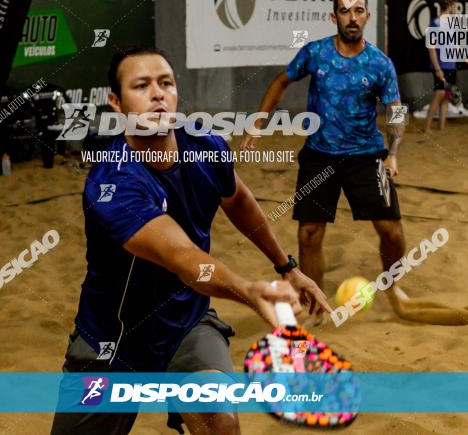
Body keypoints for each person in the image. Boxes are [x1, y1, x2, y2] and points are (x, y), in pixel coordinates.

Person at [50, 47, 330, 435]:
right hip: (113, 342)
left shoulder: (205, 144)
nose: (158, 94)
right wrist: (249, 290)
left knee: (219, 421)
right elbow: (182, 258)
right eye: (141, 86)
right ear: (116, 102)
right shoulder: (112, 184)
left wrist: (287, 267)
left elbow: (239, 201)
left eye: (165, 83)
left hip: (186, 323)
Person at [243, 0, 468, 325]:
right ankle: (315, 304)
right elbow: (281, 82)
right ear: (333, 16)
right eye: (345, 11)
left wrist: (393, 153)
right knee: (309, 234)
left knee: (392, 232)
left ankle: (395, 288)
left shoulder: (380, 63)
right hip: (319, 156)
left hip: (367, 156)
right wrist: (258, 122)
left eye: (359, 11)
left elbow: (396, 111)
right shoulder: (315, 53)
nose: (352, 17)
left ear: (366, 16)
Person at [425, 0, 459, 133]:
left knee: (446, 96)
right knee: (439, 94)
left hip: (451, 65)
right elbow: (431, 47)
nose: (456, 8)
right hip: (441, 66)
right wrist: (437, 68)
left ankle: (442, 126)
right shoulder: (435, 23)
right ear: (449, 5)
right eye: (455, 5)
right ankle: (427, 127)